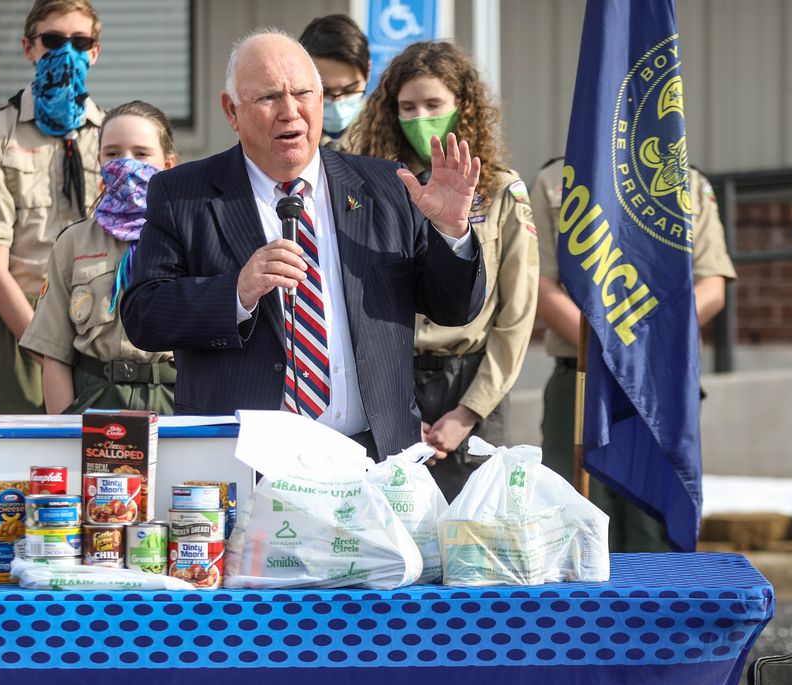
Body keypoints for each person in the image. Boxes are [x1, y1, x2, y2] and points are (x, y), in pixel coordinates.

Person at [121, 30, 486, 461]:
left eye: (304, 94)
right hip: (246, 460)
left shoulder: (386, 186)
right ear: (231, 111)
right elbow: (144, 315)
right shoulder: (183, 194)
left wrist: (451, 233)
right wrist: (236, 293)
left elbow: (454, 308)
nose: (289, 112)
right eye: (269, 97)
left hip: (374, 458)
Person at [343, 41, 537, 499]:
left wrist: (468, 413)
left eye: (433, 104)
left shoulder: (502, 189)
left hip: (472, 384)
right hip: (392, 381)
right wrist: (394, 405)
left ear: (462, 106)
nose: (420, 117)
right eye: (407, 107)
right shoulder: (376, 190)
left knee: (473, 540)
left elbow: (517, 316)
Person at [531, 157, 735, 550]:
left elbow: (712, 286)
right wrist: (612, 351)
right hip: (581, 377)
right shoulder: (555, 180)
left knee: (654, 531)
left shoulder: (688, 182)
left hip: (659, 383)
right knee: (574, 529)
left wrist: (645, 351)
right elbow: (541, 285)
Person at [0, 0, 106, 414]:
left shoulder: (116, 136)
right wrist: (49, 352)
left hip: (101, 316)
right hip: (23, 315)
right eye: (53, 40)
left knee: (103, 456)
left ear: (95, 52)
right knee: (26, 463)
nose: (67, 53)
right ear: (29, 48)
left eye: (80, 42)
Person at [20, 101, 178, 414]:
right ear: (99, 162)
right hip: (94, 402)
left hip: (172, 403)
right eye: (113, 153)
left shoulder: (191, 240)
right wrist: (66, 430)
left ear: (168, 165)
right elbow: (55, 355)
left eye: (142, 153)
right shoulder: (74, 243)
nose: (126, 163)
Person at [299, 14, 370, 149]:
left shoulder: (389, 137)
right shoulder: (284, 136)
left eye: (349, 90)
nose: (337, 103)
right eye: (325, 91)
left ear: (368, 71)